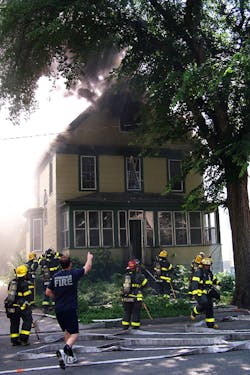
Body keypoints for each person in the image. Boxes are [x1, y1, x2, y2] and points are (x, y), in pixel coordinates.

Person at [46, 252, 93, 369]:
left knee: (67, 331)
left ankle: (69, 357)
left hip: (58, 309)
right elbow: (87, 268)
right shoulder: (73, 274)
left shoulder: (55, 276)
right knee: (75, 333)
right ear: (70, 264)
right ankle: (65, 350)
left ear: (60, 265)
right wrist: (89, 258)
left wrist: (56, 298)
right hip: (69, 308)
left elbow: (48, 292)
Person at [4, 264, 33, 346]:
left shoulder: (12, 282)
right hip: (21, 306)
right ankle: (23, 339)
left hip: (10, 306)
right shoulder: (24, 284)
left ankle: (14, 340)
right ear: (25, 274)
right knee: (28, 320)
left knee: (14, 323)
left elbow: (10, 294)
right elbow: (28, 296)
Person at [190, 257, 221, 329]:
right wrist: (195, 293)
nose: (207, 267)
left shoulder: (209, 273)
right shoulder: (199, 272)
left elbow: (213, 280)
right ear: (203, 265)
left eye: (209, 265)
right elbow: (194, 283)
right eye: (206, 265)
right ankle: (195, 311)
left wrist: (218, 283)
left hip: (208, 292)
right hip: (200, 293)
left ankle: (211, 324)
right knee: (204, 303)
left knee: (209, 307)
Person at [121, 259, 148, 330]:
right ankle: (135, 326)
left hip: (126, 298)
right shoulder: (140, 276)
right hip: (136, 298)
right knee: (136, 312)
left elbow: (122, 286)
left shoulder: (126, 276)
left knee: (127, 312)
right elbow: (145, 284)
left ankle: (125, 325)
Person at [38, 248, 61, 313]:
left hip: (46, 280)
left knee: (46, 292)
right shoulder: (56, 260)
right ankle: (54, 307)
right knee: (54, 292)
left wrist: (43, 255)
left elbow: (38, 260)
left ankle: (45, 308)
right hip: (54, 280)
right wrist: (56, 253)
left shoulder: (43, 261)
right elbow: (62, 257)